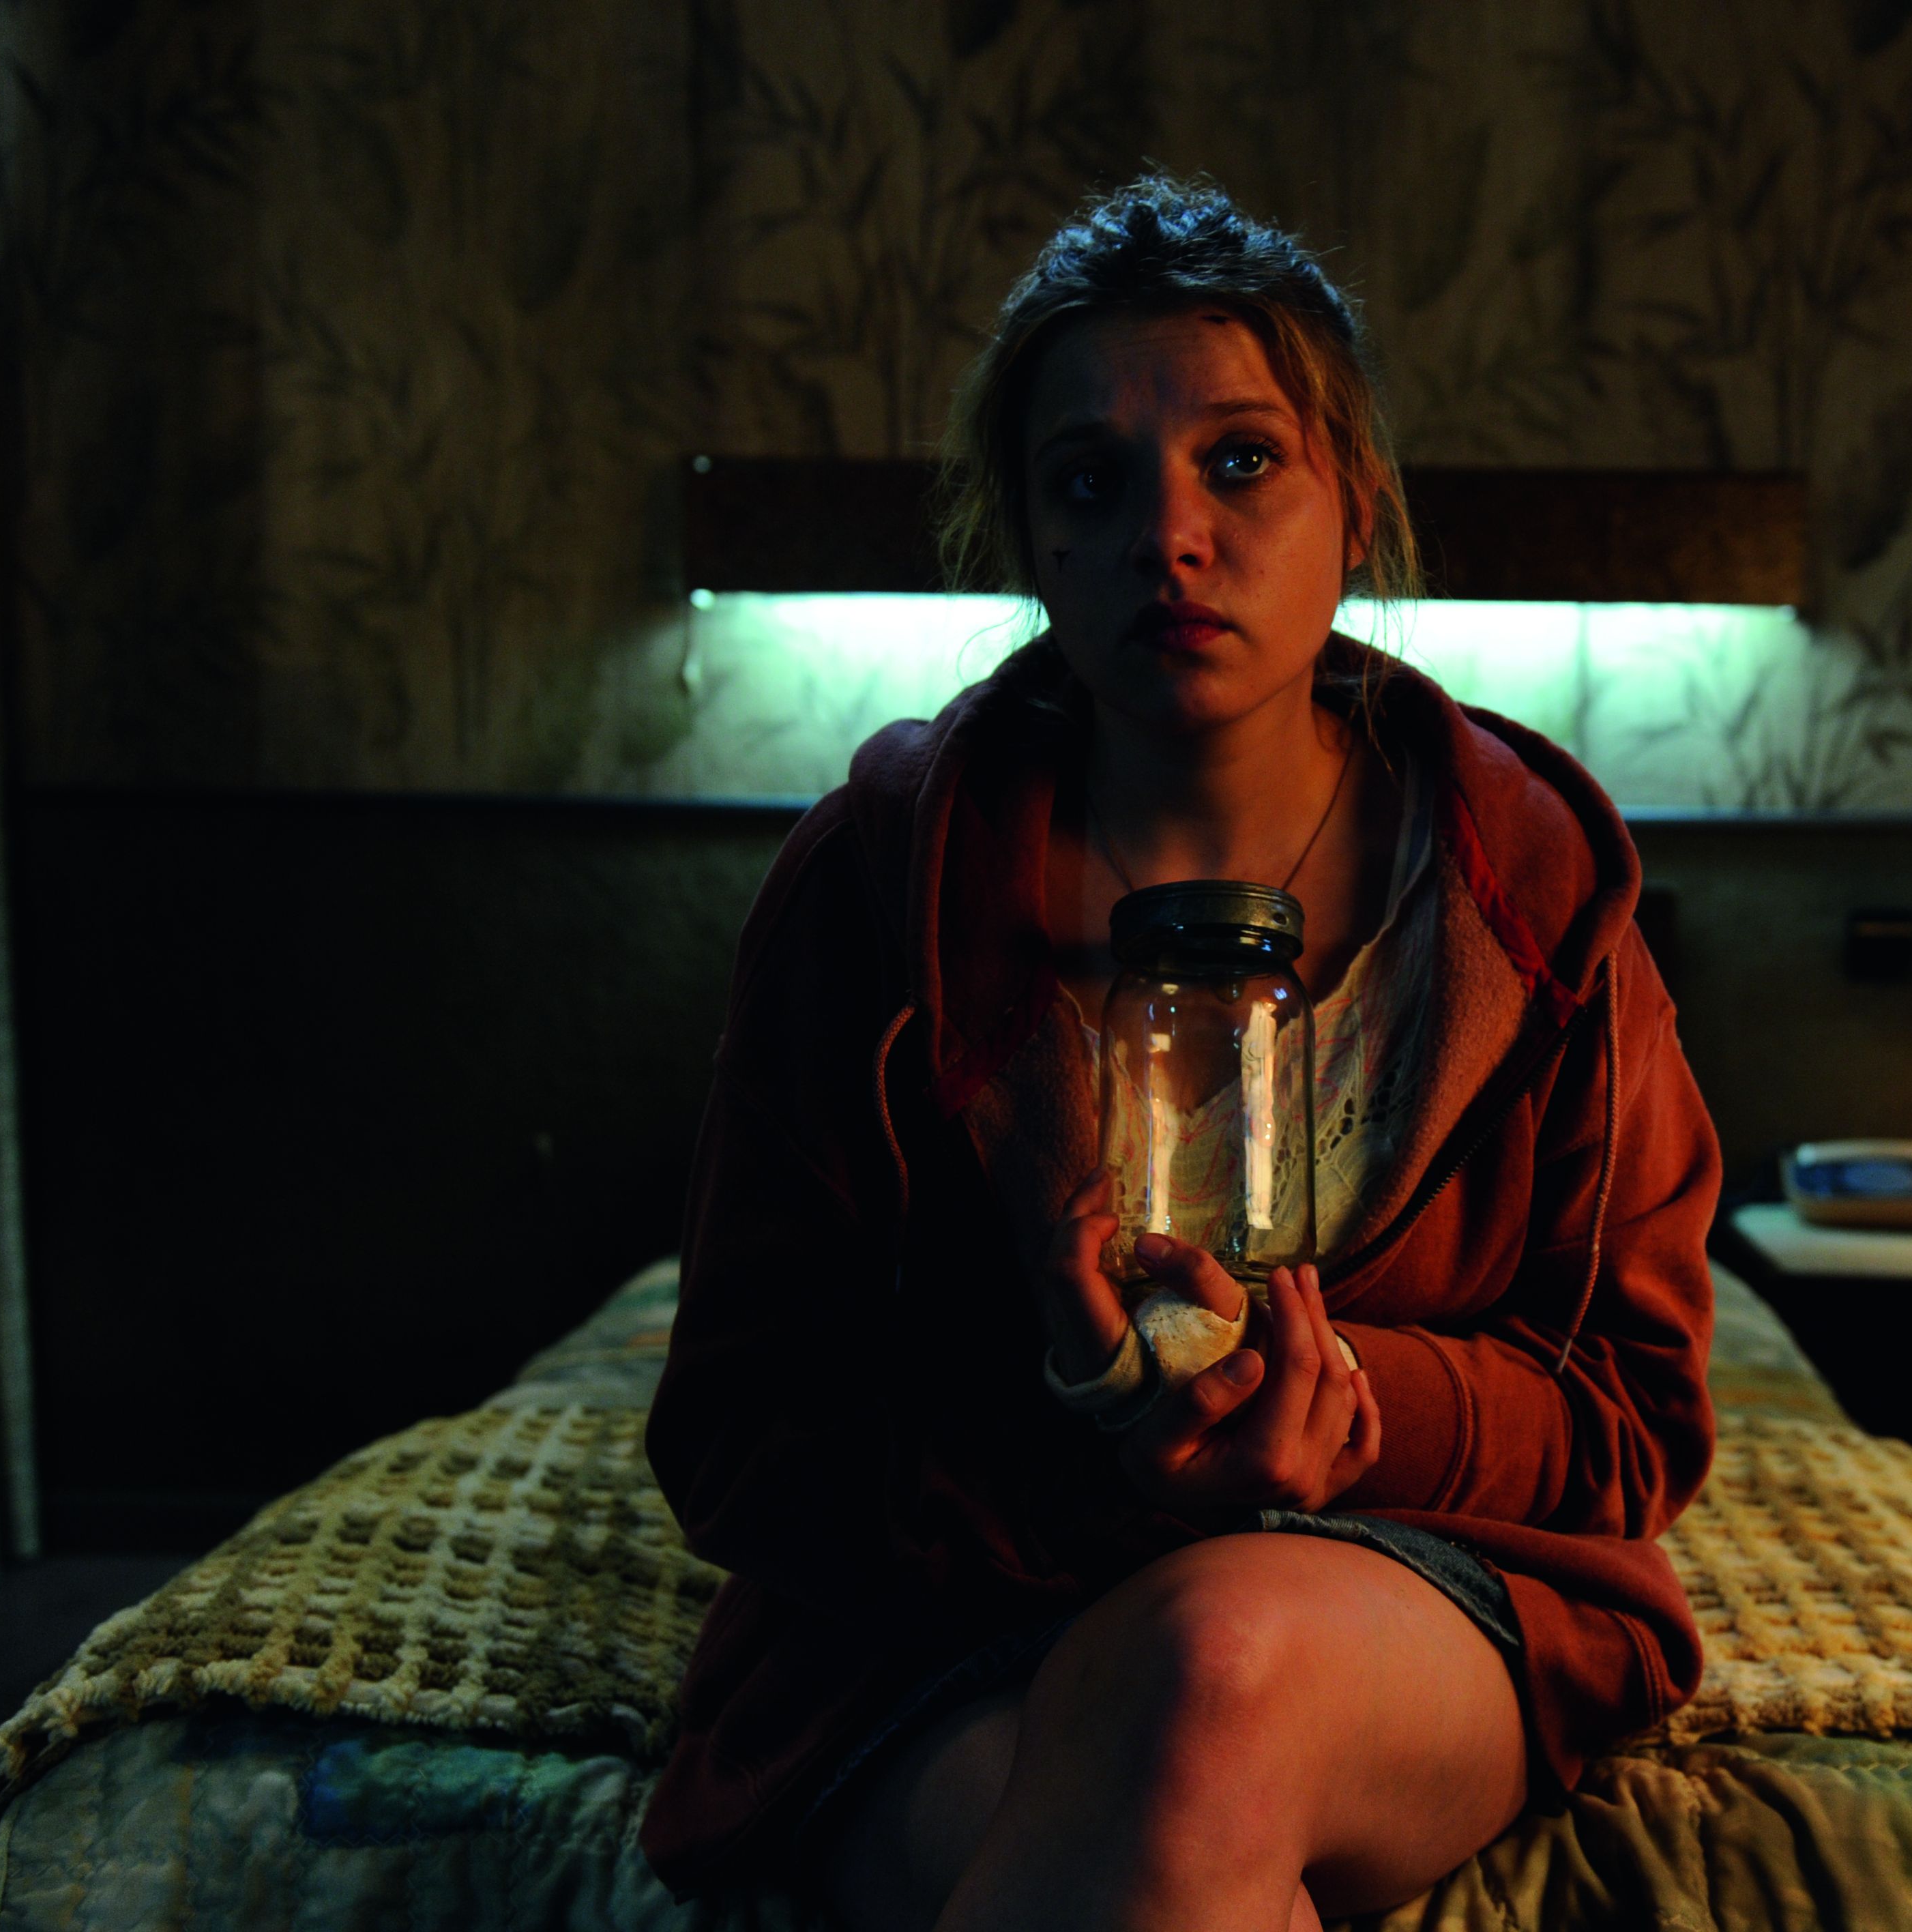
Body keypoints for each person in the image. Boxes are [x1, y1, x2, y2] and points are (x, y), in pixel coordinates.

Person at [639, 174, 1722, 1932]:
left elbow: (1632, 1414)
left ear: (1352, 500)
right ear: (1029, 536)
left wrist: (1344, 1410)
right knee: (1164, 1809)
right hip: (950, 1619)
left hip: (1411, 1585)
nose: (1170, 535)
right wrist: (1083, 1441)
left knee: (1208, 1662)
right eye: (1092, 482)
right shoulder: (880, 887)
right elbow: (742, 1432)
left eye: (1241, 460)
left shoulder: (1529, 893)